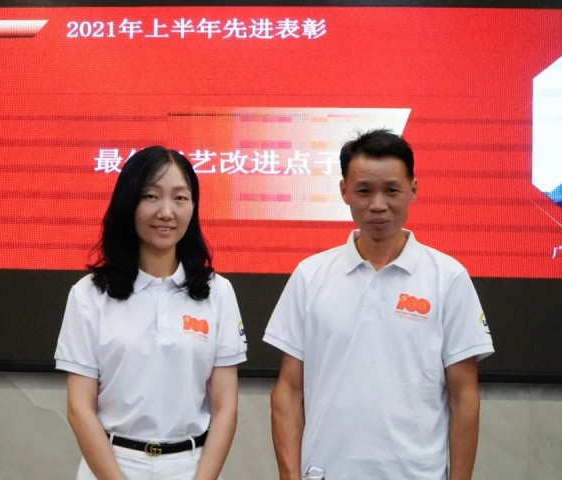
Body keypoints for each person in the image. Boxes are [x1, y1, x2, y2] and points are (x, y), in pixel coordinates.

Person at [264, 129, 494, 480]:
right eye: (364, 191)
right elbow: (287, 392)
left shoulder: (447, 278)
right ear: (344, 191)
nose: (377, 205)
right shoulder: (310, 276)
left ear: (413, 190)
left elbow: (463, 397)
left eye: (391, 190)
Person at [55, 146, 247, 480]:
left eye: (180, 198)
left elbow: (226, 407)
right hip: (112, 464)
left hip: (191, 466)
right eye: (151, 196)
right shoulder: (89, 294)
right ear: (129, 203)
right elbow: (79, 408)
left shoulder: (218, 293)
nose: (166, 212)